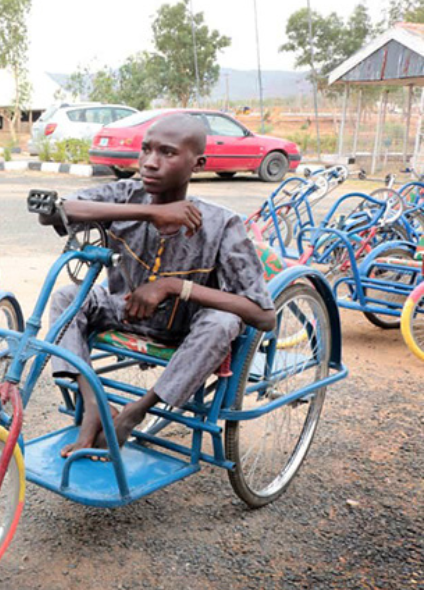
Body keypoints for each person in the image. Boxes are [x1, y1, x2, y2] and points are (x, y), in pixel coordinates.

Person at [40, 113, 276, 458]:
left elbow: (263, 316)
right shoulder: (126, 195)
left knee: (223, 322)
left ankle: (138, 411)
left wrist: (173, 286)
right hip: (125, 308)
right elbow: (54, 212)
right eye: (146, 150)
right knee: (67, 296)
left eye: (167, 153)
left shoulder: (222, 224)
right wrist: (151, 213)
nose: (150, 163)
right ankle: (93, 403)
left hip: (186, 328)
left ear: (198, 164)